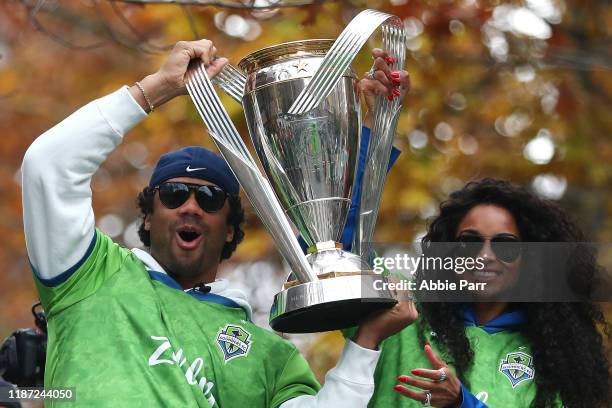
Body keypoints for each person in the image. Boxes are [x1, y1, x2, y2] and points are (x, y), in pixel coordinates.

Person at [21, 39, 417, 406]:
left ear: (230, 227)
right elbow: (48, 166)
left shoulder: (271, 358)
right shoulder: (90, 275)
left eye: (209, 198)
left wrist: (366, 344)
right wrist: (156, 88)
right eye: (175, 194)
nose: (190, 207)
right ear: (148, 213)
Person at [366, 178, 610, 407]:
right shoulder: (403, 307)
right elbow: (344, 241)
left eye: (505, 244)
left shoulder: (555, 354)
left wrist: (462, 401)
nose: (485, 256)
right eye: (470, 242)